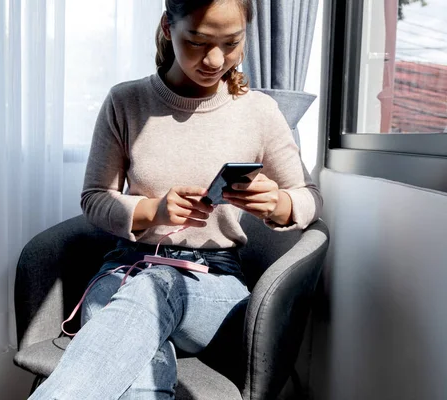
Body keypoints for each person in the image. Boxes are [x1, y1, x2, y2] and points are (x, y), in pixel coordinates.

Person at [29, 0, 322, 398]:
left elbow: (309, 198)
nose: (216, 59)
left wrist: (278, 205)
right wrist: (154, 210)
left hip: (213, 286)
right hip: (125, 271)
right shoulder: (126, 102)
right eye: (198, 42)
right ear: (169, 27)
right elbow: (95, 198)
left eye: (232, 43)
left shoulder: (259, 112)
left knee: (157, 286)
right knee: (141, 363)